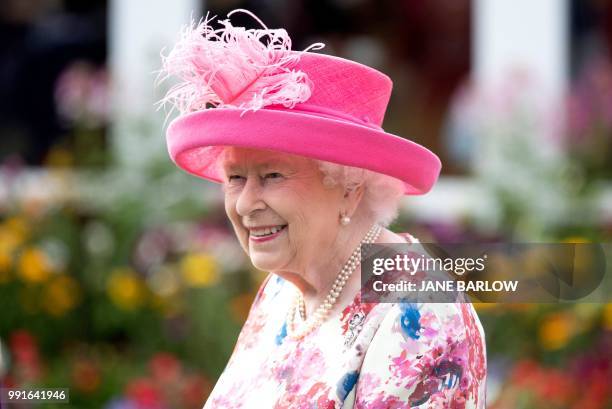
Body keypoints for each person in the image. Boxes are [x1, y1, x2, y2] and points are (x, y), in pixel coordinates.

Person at [159, 9, 486, 408]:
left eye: (273, 175)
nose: (245, 204)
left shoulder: (419, 312)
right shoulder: (282, 291)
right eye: (235, 178)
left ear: (349, 188)